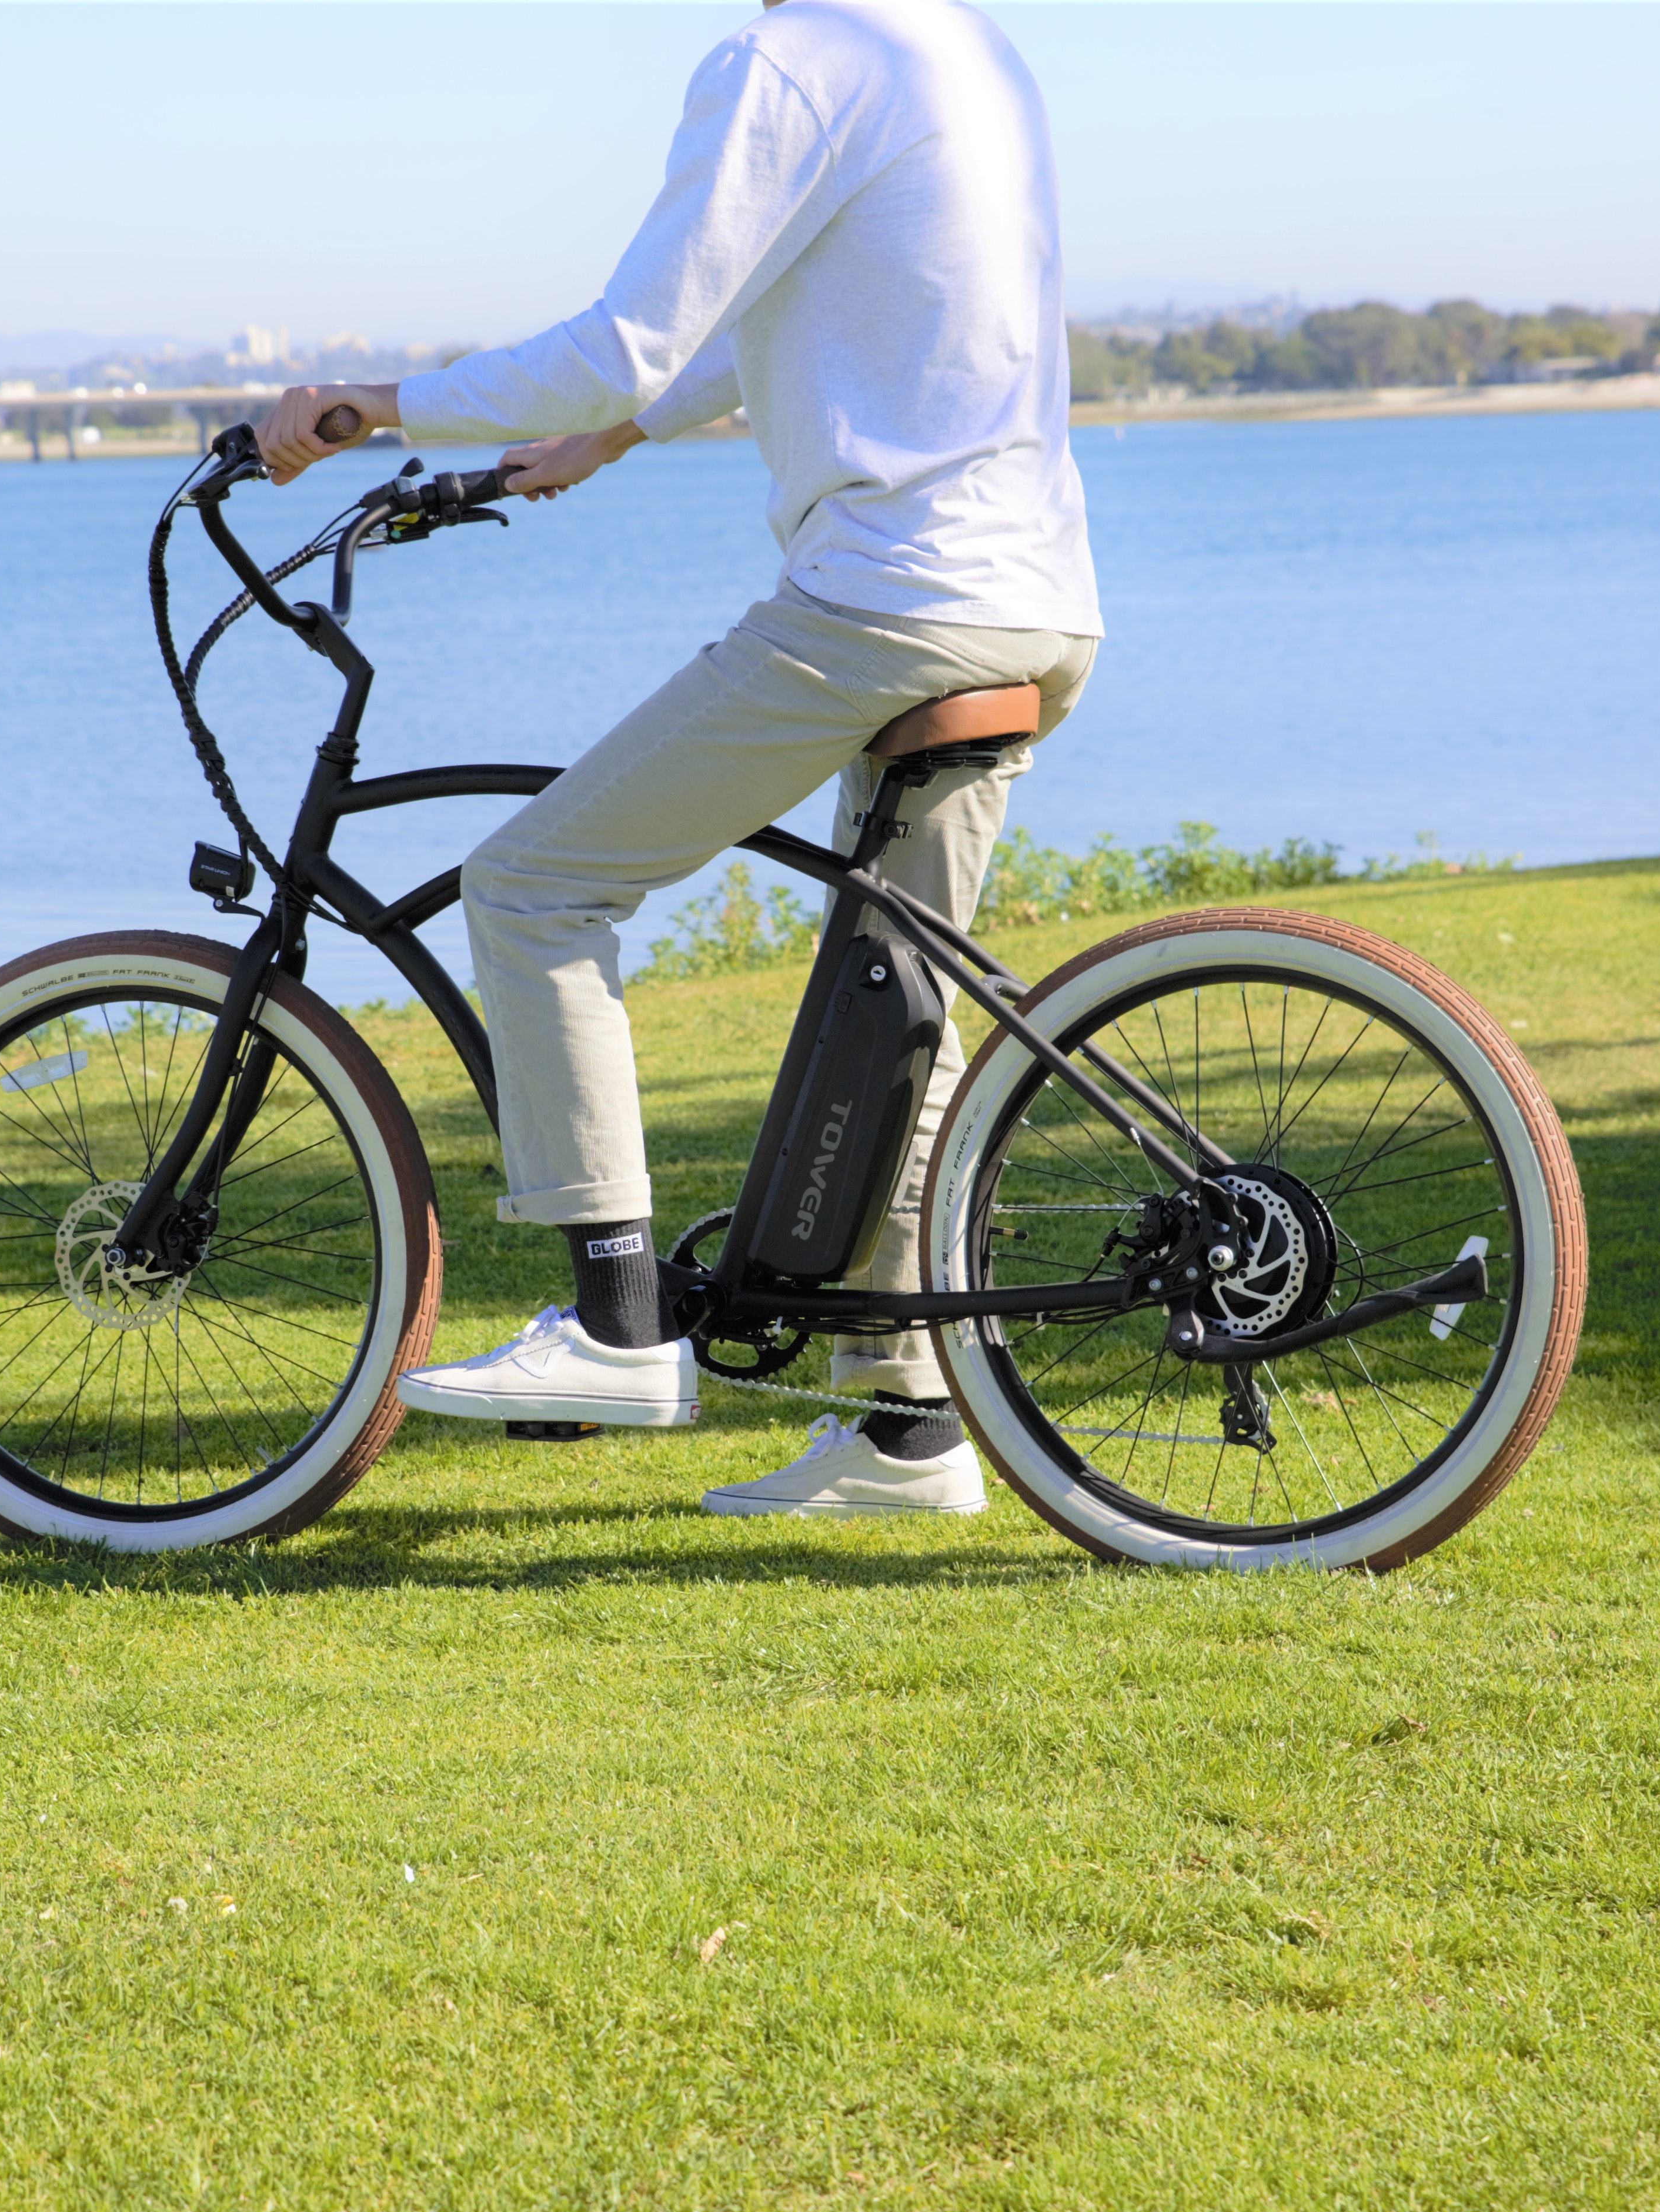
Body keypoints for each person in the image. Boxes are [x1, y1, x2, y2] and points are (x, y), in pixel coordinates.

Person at [257, 0, 1098, 1517]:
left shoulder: (794, 56)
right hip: (1036, 600)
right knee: (889, 983)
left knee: (529, 886)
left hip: (889, 606)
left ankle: (617, 1322)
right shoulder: (961, 50)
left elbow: (622, 339)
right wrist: (618, 439)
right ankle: (903, 1424)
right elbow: (824, 310)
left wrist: (365, 409)